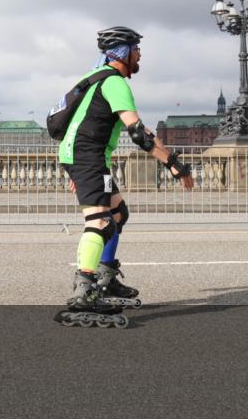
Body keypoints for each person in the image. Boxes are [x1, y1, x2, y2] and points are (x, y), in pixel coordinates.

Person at [56, 26, 194, 327]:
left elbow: (79, 122)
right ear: (122, 53)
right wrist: (173, 164)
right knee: (99, 221)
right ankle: (84, 289)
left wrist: (71, 165)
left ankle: (105, 277)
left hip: (84, 157)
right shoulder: (114, 82)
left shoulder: (94, 78)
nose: (139, 54)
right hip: (87, 157)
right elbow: (138, 134)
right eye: (136, 49)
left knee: (118, 214)